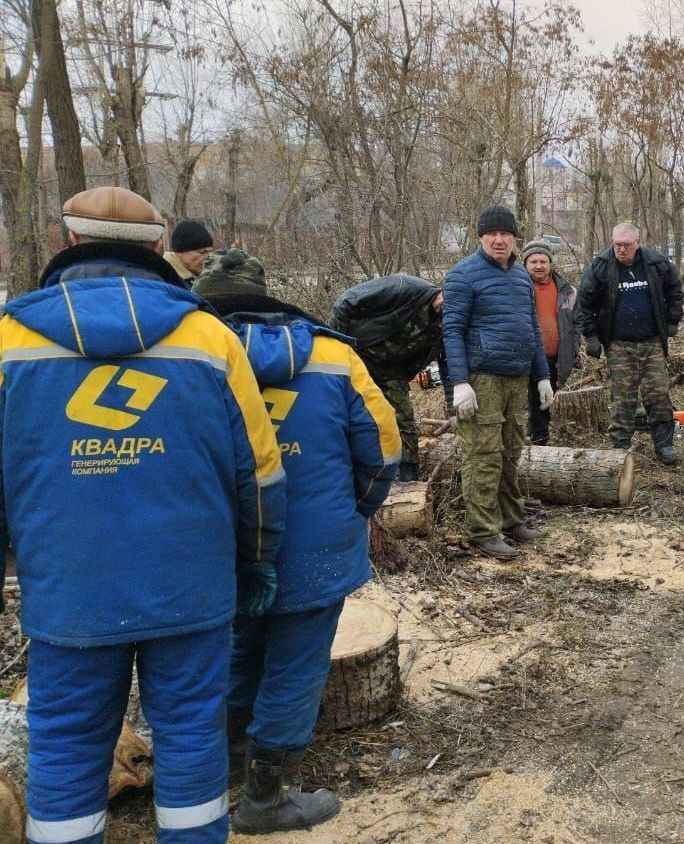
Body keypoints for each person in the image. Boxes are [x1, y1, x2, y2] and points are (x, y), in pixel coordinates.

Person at [1, 187, 286, 843]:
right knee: (190, 737)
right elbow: (262, 472)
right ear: (159, 247)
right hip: (190, 585)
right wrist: (259, 556)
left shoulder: (10, 338)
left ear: (67, 242)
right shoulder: (210, 337)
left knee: (68, 747)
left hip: (68, 592)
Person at [196, 249, 401, 833]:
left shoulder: (193, 354)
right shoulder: (334, 355)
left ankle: (231, 767)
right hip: (316, 545)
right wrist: (356, 508)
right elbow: (383, 446)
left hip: (224, 542)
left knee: (237, 650)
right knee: (296, 665)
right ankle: (265, 797)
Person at [443, 205, 553, 560]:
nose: (499, 239)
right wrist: (460, 382)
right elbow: (452, 330)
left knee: (511, 451)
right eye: (492, 234)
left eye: (506, 234)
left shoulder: (522, 277)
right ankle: (482, 530)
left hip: (516, 378)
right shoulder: (464, 275)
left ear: (514, 238)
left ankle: (511, 520)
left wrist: (543, 377)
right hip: (482, 378)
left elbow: (532, 330)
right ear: (480, 237)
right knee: (484, 455)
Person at [578, 222, 684, 465]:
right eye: (617, 245)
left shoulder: (656, 264)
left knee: (657, 394)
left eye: (626, 245)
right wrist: (591, 336)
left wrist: (672, 320)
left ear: (638, 243)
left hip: (652, 342)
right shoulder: (602, 267)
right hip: (619, 344)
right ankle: (621, 444)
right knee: (623, 398)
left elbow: (675, 291)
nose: (621, 250)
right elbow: (584, 303)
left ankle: (664, 444)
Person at [331, 274, 453, 481]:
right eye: (448, 300)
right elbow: (344, 304)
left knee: (403, 421)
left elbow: (448, 364)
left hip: (391, 369)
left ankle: (409, 480)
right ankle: (344, 473)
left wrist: (453, 408)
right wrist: (339, 351)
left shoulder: (447, 326)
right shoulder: (404, 287)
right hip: (356, 357)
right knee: (348, 415)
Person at [521, 239, 582, 445]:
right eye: (533, 261)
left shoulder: (567, 291)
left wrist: (573, 349)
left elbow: (577, 322)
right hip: (523, 356)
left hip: (554, 357)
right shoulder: (517, 287)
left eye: (543, 261)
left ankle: (540, 443)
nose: (539, 266)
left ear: (550, 263)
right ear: (525, 264)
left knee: (543, 404)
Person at [164, 219, 214, 284]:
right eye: (202, 252)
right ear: (180, 252)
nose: (208, 258)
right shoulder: (166, 280)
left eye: (209, 252)